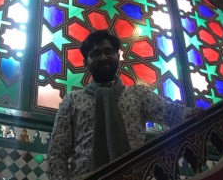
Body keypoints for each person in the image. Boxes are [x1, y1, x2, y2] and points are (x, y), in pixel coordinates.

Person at [47, 30, 204, 180]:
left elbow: (169, 112)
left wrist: (191, 113)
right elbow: (57, 153)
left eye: (109, 52)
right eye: (96, 53)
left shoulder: (138, 94)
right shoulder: (73, 100)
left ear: (118, 56)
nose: (103, 57)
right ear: (85, 62)